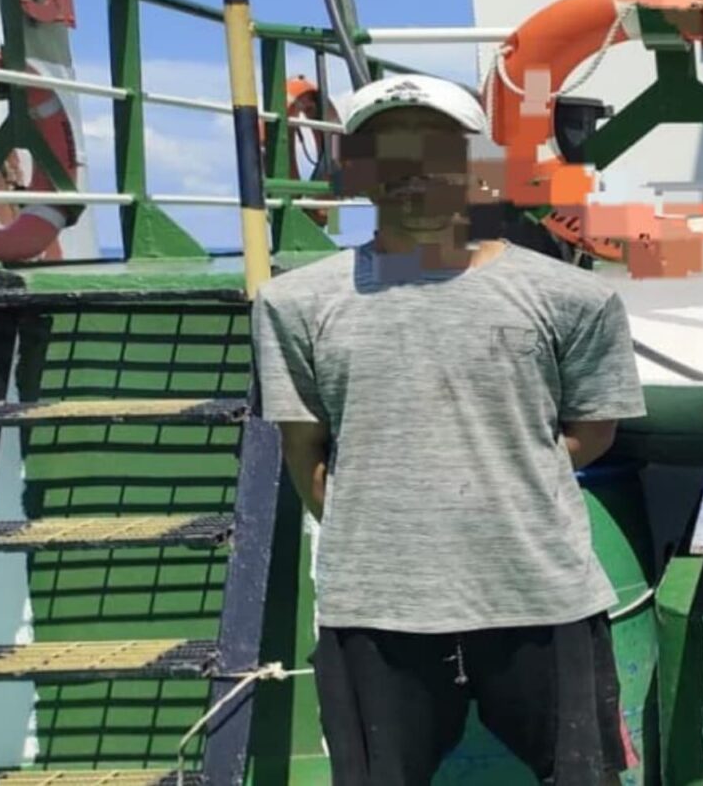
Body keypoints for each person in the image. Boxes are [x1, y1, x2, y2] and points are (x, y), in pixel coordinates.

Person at [251, 72, 645, 785]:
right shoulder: (293, 305)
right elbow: (305, 453)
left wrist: (496, 488)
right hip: (375, 609)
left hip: (542, 595)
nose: (413, 171)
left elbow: (593, 432)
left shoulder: (574, 298)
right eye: (387, 153)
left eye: (436, 149)